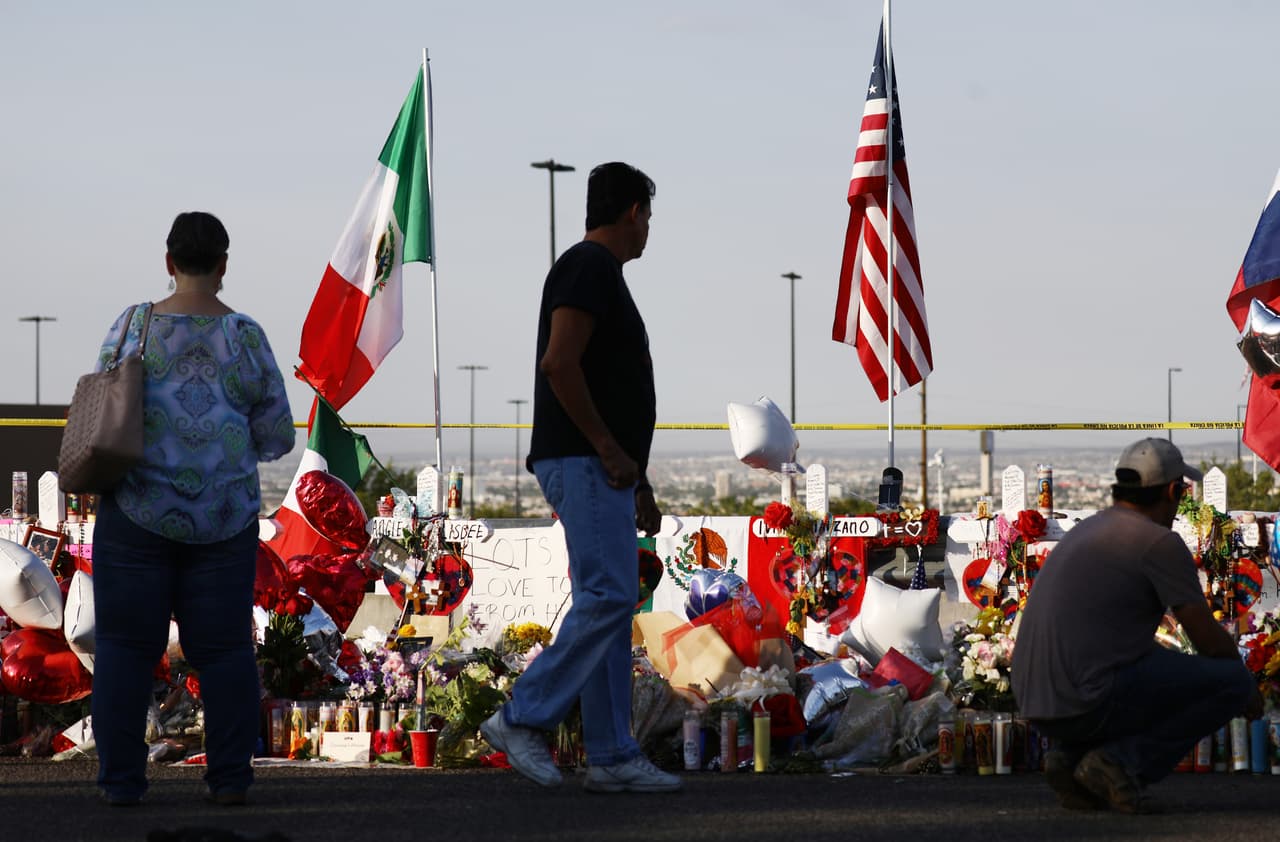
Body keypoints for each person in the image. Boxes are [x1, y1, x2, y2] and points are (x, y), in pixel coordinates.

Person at [480, 162, 679, 793]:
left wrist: (637, 482)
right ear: (633, 214)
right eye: (648, 215)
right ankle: (522, 717)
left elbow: (607, 385)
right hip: (584, 460)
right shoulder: (587, 268)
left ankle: (611, 754)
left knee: (608, 603)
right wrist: (606, 450)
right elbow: (560, 365)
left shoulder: (599, 274)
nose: (649, 229)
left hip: (604, 468)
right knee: (609, 598)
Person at [91, 212, 295, 806]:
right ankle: (230, 780)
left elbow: (102, 406)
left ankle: (122, 784)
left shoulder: (133, 326)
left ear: (169, 261)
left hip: (135, 511)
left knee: (126, 651)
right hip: (223, 518)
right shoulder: (247, 337)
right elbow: (278, 435)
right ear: (224, 266)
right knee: (227, 651)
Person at [1011, 438, 1259, 813]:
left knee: (1145, 664)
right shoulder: (1157, 541)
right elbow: (1206, 638)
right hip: (1087, 698)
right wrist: (1248, 687)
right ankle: (1122, 764)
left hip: (1034, 698)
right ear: (1174, 491)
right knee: (1230, 681)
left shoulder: (1089, 529)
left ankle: (1072, 758)